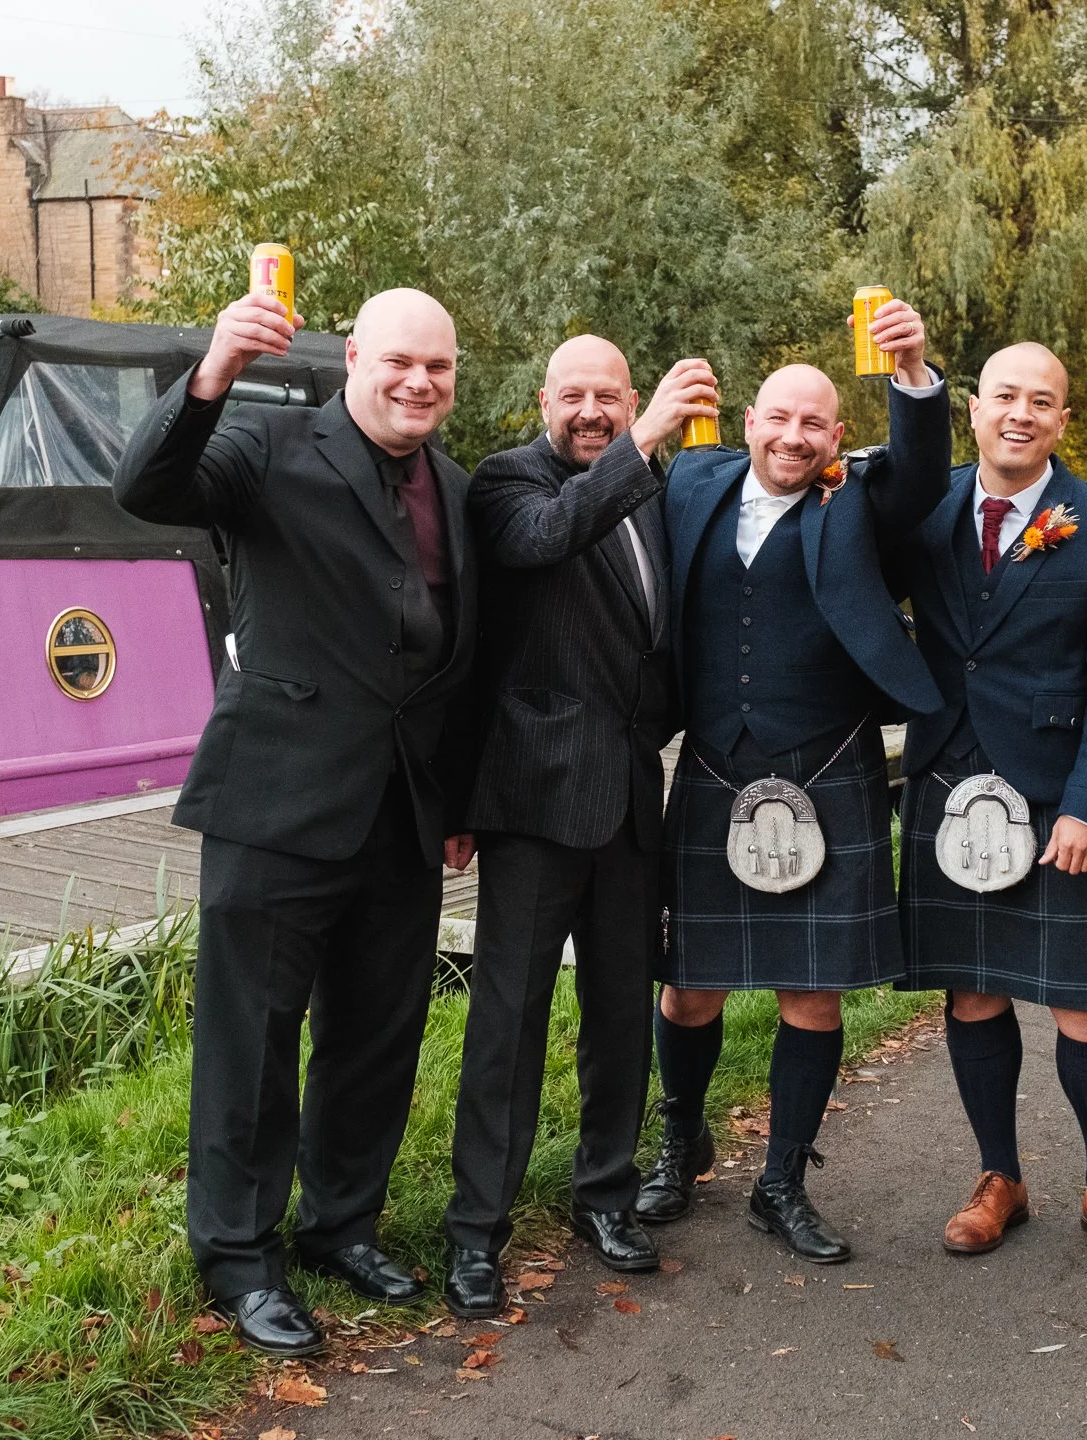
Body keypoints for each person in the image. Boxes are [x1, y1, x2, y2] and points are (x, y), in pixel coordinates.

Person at [113, 289, 478, 1357]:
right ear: (355, 356)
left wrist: (454, 801)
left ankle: (341, 1226)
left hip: (402, 815)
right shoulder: (266, 444)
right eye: (401, 361)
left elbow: (458, 660)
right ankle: (237, 1257)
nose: (419, 383)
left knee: (375, 1041)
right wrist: (213, 370)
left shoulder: (453, 485)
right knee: (252, 1046)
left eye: (440, 369)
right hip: (277, 802)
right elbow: (147, 487)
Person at [643, 299, 950, 1264]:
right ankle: (678, 1135)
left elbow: (924, 475)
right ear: (747, 424)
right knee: (688, 989)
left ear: (836, 438)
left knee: (810, 992)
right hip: (709, 763)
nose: (793, 436)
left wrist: (912, 378)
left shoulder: (858, 496)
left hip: (826, 764)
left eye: (814, 423)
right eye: (778, 417)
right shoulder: (690, 482)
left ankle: (781, 1181)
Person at [440, 338, 719, 1316]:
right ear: (543, 399)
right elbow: (547, 538)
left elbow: (664, 637)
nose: (592, 411)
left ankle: (605, 1195)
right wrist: (642, 442)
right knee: (506, 1027)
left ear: (628, 396)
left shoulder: (657, 490)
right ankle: (476, 1230)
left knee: (617, 1019)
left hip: (633, 800)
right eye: (575, 396)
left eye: (611, 396)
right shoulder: (506, 482)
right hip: (534, 802)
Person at [893, 342, 1087, 1270]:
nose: (1020, 413)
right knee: (972, 989)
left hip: (1054, 799)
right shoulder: (922, 512)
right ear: (973, 407)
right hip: (943, 781)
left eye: (1040, 401)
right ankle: (997, 1175)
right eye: (1004, 395)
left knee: (1084, 1005)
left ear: (1062, 421)